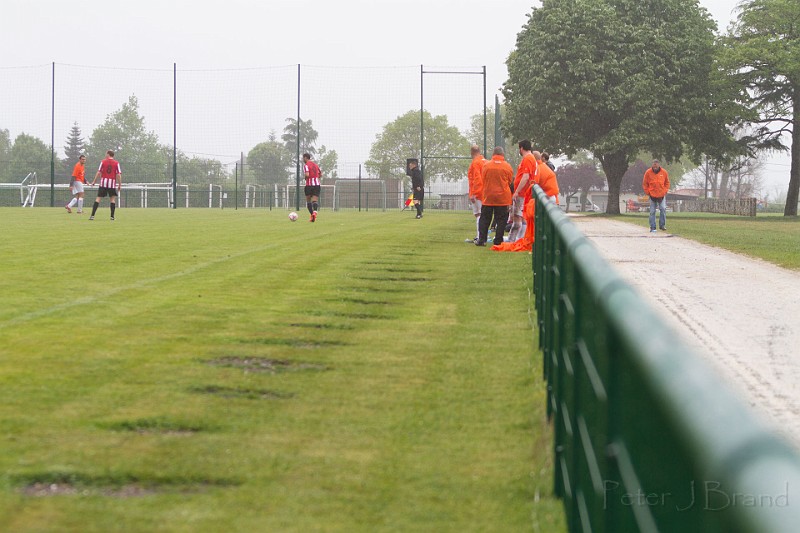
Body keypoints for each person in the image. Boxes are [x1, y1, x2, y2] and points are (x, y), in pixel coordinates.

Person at [476, 147, 513, 246]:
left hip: (488, 196)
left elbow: (483, 178)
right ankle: (498, 240)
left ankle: (482, 239)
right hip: (503, 197)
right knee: (501, 219)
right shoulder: (507, 166)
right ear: (503, 155)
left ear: (493, 154)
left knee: (484, 218)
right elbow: (510, 181)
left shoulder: (486, 165)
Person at [508, 140, 538, 242]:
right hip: (524, 192)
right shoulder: (530, 158)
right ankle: (519, 238)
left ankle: (514, 239)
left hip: (522, 193)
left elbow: (525, 177)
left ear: (521, 148)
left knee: (518, 216)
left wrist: (516, 192)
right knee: (521, 216)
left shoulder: (528, 159)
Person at [88, 150, 122, 221]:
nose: (105, 155)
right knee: (112, 199)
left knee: (98, 198)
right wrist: (119, 184)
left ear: (108, 154)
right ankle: (112, 217)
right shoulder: (116, 163)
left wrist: (94, 181)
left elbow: (99, 172)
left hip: (103, 183)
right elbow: (118, 174)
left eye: (106, 154)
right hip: (112, 184)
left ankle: (92, 216)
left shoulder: (103, 161)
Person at [642, 159, 670, 233]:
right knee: (652, 211)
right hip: (652, 195)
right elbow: (645, 184)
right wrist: (648, 192)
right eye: (654, 166)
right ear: (652, 165)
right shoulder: (648, 172)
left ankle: (662, 225)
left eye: (656, 166)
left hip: (661, 195)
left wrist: (665, 191)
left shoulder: (664, 172)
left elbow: (667, 183)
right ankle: (653, 227)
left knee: (663, 209)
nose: (655, 167)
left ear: (658, 165)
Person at [466, 145, 485, 241]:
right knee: (482, 214)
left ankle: (479, 236)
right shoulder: (484, 161)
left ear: (472, 152)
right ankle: (481, 236)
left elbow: (477, 179)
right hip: (485, 192)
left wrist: (474, 193)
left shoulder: (475, 163)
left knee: (479, 214)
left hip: (478, 192)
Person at [302, 153, 321, 222]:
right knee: (315, 201)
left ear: (305, 158)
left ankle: (312, 215)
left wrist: (305, 178)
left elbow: (307, 174)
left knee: (308, 201)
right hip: (317, 185)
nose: (303, 159)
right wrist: (315, 178)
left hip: (309, 185)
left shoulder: (306, 165)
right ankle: (315, 212)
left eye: (303, 158)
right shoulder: (316, 165)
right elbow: (320, 174)